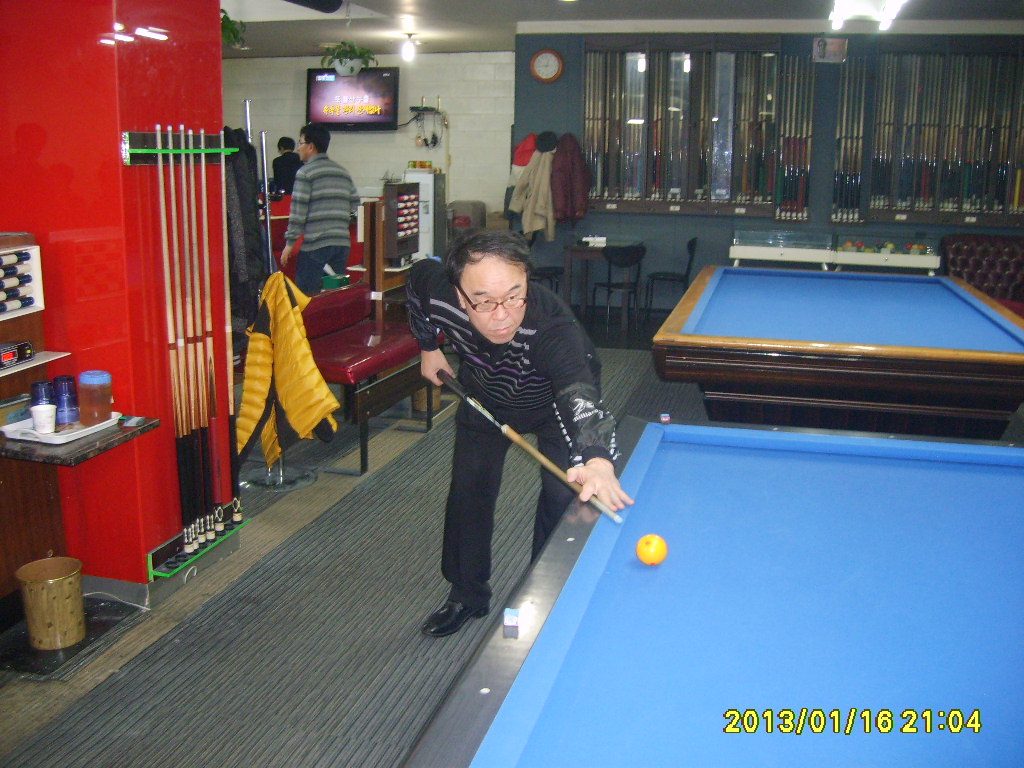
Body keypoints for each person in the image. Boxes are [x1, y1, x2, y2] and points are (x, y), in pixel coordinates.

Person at [406, 229, 634, 637]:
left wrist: (597, 458)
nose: (503, 315)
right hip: (485, 396)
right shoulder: (438, 291)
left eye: (514, 296)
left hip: (554, 405)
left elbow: (578, 392)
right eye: (484, 301)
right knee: (469, 492)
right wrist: (428, 346)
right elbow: (415, 281)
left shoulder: (552, 326)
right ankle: (466, 594)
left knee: (563, 499)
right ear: (459, 294)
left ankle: (543, 595)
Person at [280, 124, 359, 295]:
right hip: (341, 244)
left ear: (311, 146)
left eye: (300, 143)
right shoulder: (342, 172)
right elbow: (355, 205)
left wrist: (290, 244)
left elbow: (298, 212)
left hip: (316, 245)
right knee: (334, 295)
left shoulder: (305, 173)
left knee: (308, 298)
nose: (298, 148)